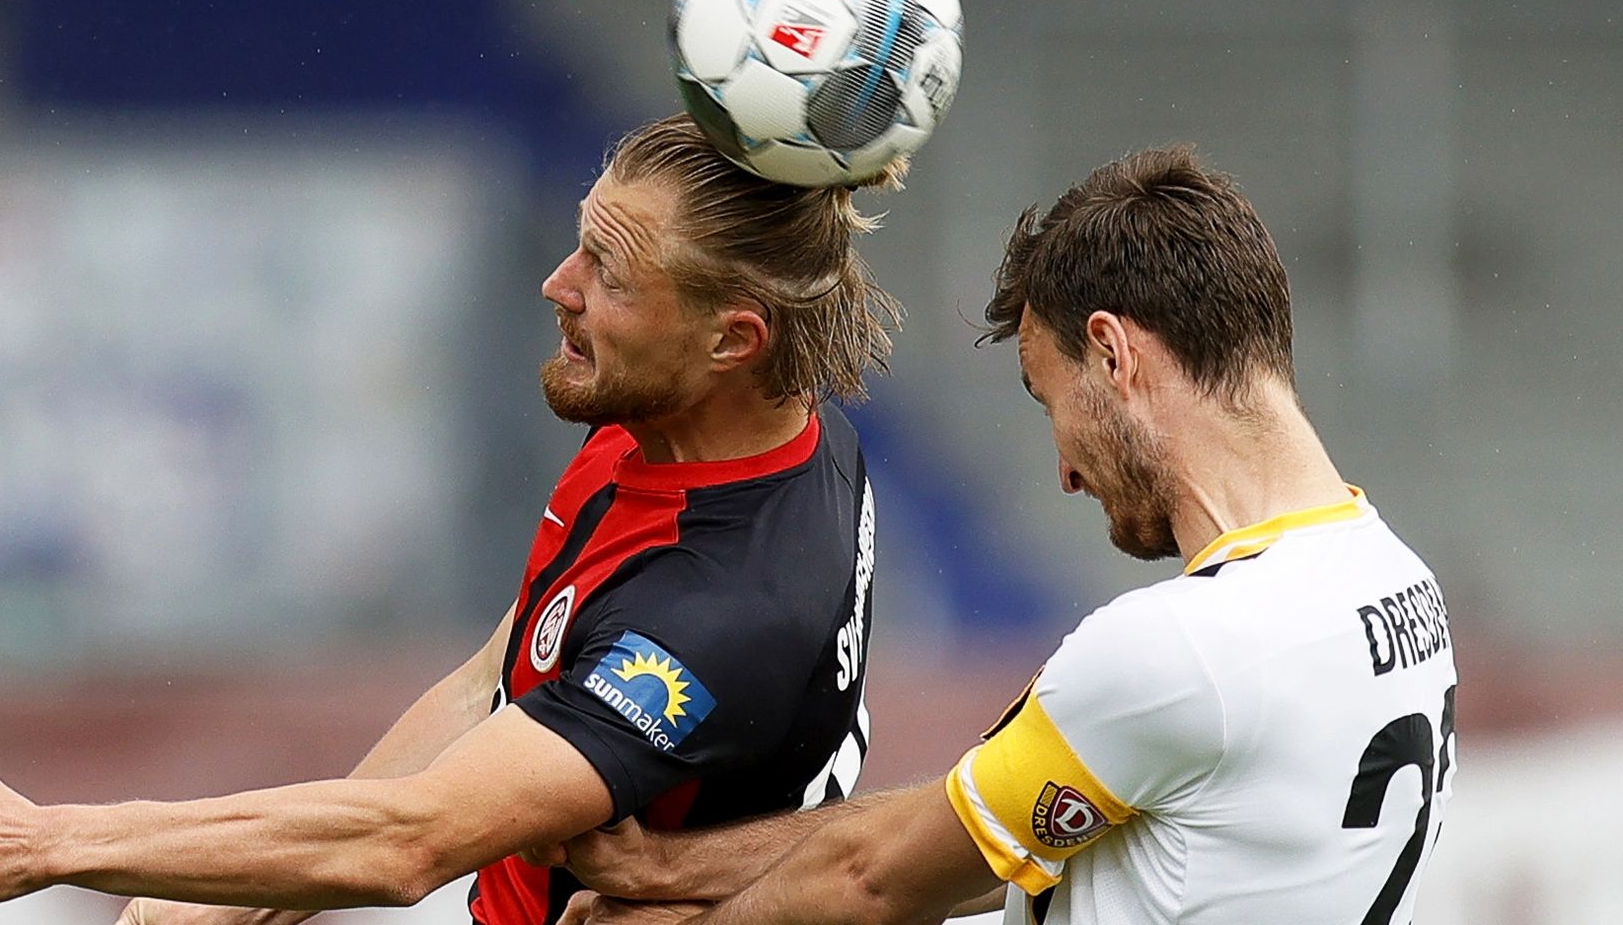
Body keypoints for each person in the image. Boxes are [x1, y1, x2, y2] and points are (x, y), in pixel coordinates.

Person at [0, 113, 902, 925]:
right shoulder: (688, 425)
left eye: (608, 272)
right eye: (579, 241)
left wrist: (48, 843)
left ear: (731, 340)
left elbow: (408, 845)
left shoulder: (723, 610)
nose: (557, 285)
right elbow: (500, 678)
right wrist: (235, 905)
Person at [547, 145, 1460, 925]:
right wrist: (667, 871)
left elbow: (876, 879)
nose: (1063, 470)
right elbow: (981, 825)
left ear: (1113, 354)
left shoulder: (1179, 651)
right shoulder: (1392, 582)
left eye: (1050, 400)